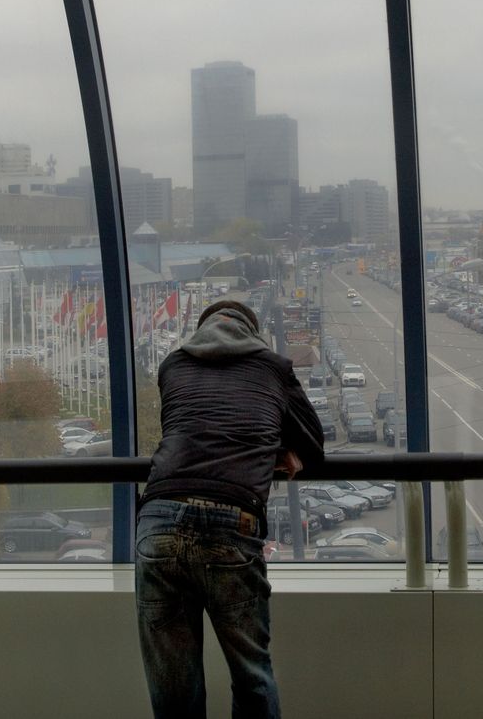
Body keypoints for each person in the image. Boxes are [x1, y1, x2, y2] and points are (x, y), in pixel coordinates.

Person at [136, 299, 325, 719]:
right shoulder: (273, 367)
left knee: (174, 689)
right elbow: (313, 442)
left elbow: (189, 432)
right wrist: (272, 449)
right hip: (231, 520)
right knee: (252, 676)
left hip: (159, 519)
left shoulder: (172, 367)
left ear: (200, 331)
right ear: (252, 333)